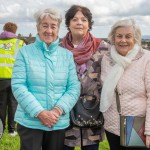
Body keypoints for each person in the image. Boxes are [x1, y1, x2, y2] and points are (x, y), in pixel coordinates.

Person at [11, 8, 80, 150]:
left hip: (57, 122)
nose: (49, 30)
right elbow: (18, 85)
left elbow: (73, 87)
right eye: (45, 25)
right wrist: (40, 112)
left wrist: (57, 111)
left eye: (53, 26)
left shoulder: (66, 55)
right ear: (37, 27)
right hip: (30, 121)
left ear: (58, 29)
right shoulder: (25, 52)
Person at [60, 5, 109, 150]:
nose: (79, 23)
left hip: (93, 113)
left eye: (84, 19)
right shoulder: (58, 49)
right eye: (74, 19)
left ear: (89, 24)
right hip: (65, 112)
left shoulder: (103, 48)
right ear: (68, 23)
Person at [100, 18, 150, 150]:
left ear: (136, 38)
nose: (123, 40)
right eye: (119, 36)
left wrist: (149, 130)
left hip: (137, 125)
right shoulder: (106, 59)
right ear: (113, 38)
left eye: (128, 36)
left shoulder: (146, 58)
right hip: (112, 125)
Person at [0, 22, 24, 136]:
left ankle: (0, 129)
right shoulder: (20, 43)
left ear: (4, 29)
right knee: (13, 104)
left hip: (1, 79)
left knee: (1, 105)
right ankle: (11, 130)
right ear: (15, 31)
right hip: (15, 79)